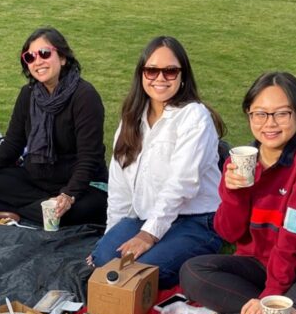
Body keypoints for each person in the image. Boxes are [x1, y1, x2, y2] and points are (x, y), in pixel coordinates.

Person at [173, 72, 296, 314]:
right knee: (192, 272)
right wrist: (234, 192)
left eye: (281, 114)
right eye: (259, 114)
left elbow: (294, 240)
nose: (269, 124)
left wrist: (271, 294)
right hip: (257, 265)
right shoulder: (237, 162)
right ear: (249, 115)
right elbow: (229, 234)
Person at [89, 36, 224, 288]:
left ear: (183, 76)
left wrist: (148, 235)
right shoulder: (132, 119)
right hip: (144, 215)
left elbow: (180, 184)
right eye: (152, 70)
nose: (160, 78)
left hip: (196, 219)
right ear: (141, 74)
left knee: (137, 275)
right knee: (105, 259)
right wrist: (110, 235)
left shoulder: (194, 117)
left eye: (170, 71)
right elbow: (119, 187)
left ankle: (189, 254)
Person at [0, 27, 107, 227]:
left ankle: (2, 207)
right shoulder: (28, 94)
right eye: (30, 57)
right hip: (37, 179)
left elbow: (89, 158)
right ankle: (40, 207)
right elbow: (13, 143)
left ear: (62, 58)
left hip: (81, 185)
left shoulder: (85, 96)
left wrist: (68, 195)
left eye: (44, 53)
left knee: (78, 211)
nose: (38, 61)